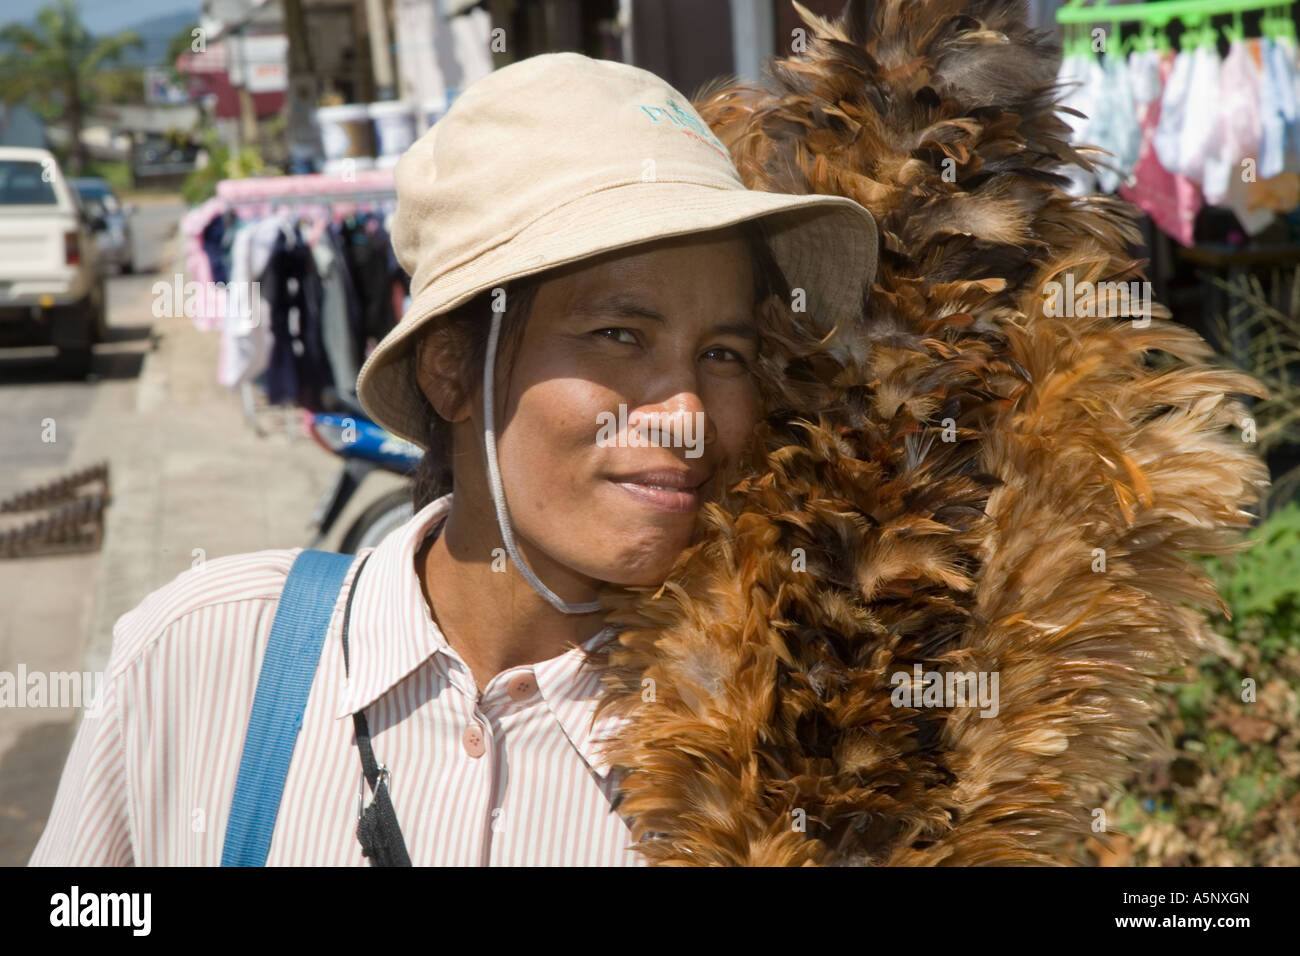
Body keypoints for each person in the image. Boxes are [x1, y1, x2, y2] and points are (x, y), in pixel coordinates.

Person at [28, 52, 877, 866]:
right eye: (619, 334)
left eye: (724, 353)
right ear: (450, 369)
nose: (688, 412)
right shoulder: (205, 658)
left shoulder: (776, 757)